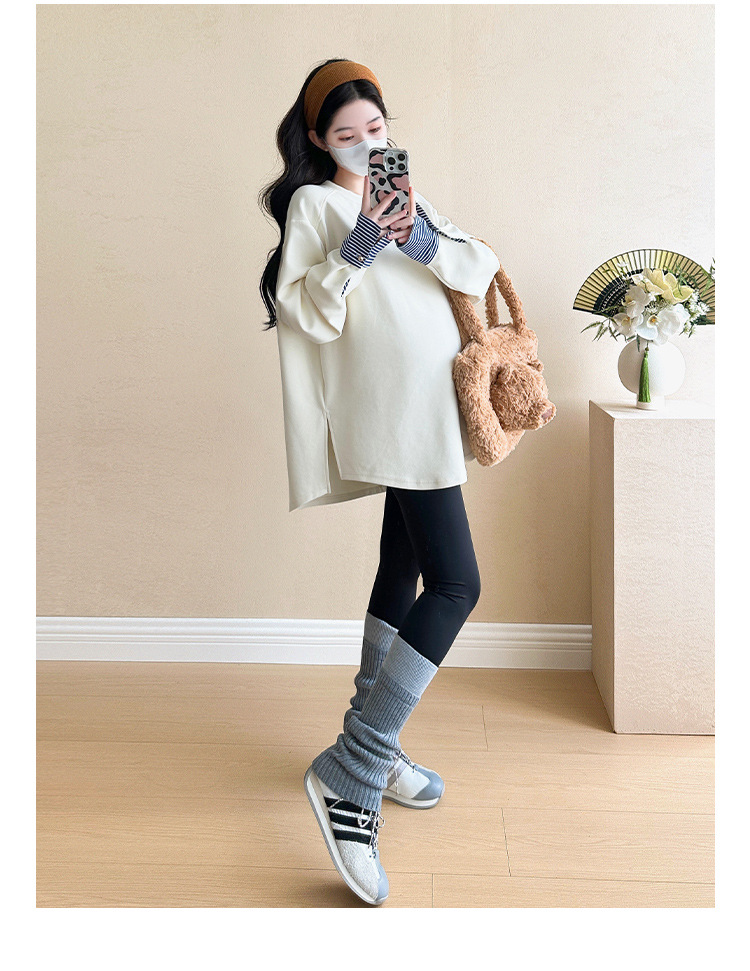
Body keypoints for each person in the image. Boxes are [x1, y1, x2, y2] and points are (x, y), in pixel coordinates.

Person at [259, 58, 500, 906]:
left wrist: (416, 238)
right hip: (394, 410)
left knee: (405, 567)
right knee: (458, 584)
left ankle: (375, 741)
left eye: (376, 130)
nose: (366, 146)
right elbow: (304, 307)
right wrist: (361, 244)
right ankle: (355, 768)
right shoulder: (316, 206)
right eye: (346, 135)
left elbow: (478, 266)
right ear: (318, 140)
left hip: (433, 405)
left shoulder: (409, 197)